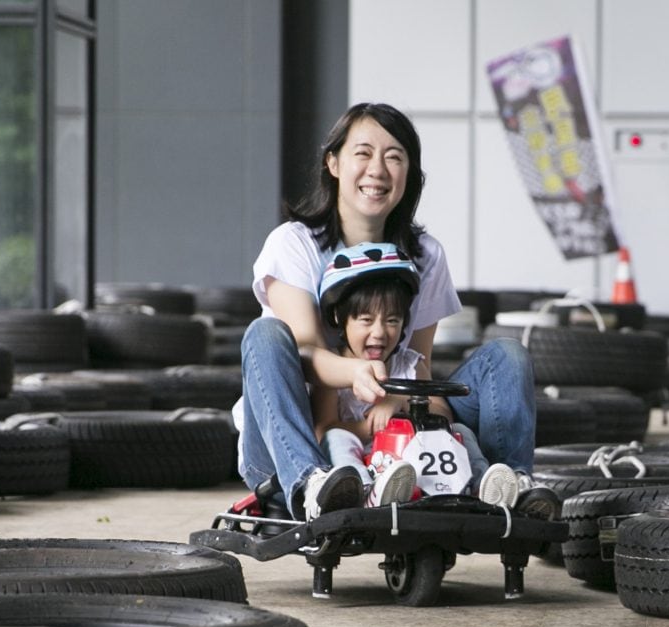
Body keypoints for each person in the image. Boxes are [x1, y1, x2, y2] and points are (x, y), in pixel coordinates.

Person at [235, 102, 558, 521]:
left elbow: (419, 367)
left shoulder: (424, 256)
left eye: (394, 156)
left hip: (394, 428)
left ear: (410, 174)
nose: (378, 169)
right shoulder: (293, 244)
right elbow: (307, 357)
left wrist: (403, 408)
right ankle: (312, 485)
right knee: (265, 336)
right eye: (363, 153)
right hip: (292, 442)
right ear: (333, 163)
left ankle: (507, 488)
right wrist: (356, 376)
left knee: (507, 357)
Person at [311, 241, 523, 508]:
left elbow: (443, 413)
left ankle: (481, 486)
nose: (379, 332)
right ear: (339, 319)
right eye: (366, 320)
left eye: (392, 321)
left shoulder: (408, 365)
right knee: (336, 438)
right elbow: (323, 431)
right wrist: (371, 429)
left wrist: (400, 402)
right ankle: (364, 491)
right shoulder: (335, 369)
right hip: (367, 460)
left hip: (418, 458)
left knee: (459, 430)